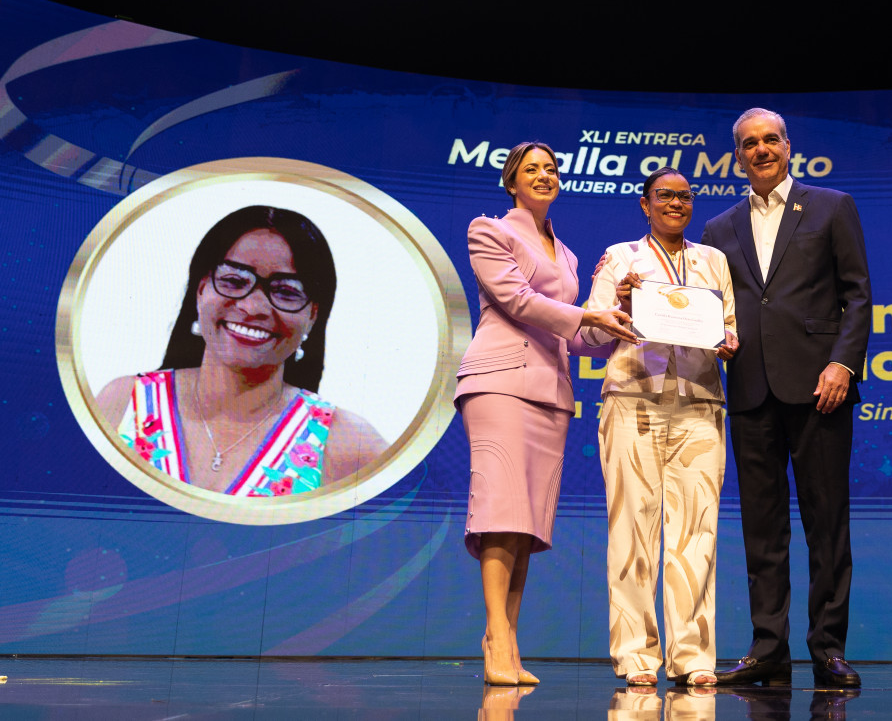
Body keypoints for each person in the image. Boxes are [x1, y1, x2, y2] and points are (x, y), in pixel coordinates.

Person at [455, 141, 639, 687]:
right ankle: (496, 637)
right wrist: (587, 315)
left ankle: (509, 638)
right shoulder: (489, 231)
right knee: (500, 513)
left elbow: (576, 337)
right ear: (512, 181)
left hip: (551, 391)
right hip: (500, 383)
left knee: (526, 525)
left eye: (551, 169)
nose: (543, 176)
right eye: (531, 169)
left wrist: (617, 315)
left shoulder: (569, 255)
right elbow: (517, 300)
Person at [700, 108, 872, 688]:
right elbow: (711, 308)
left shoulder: (832, 206)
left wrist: (842, 363)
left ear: (788, 146)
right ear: (738, 157)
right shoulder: (719, 229)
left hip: (822, 388)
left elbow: (858, 294)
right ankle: (768, 648)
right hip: (750, 390)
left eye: (770, 139)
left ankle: (828, 649)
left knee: (827, 524)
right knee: (762, 528)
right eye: (750, 143)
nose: (762, 149)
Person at [96, 206, 387, 497]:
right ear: (201, 288)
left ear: (312, 314)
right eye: (234, 281)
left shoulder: (349, 445)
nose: (253, 307)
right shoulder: (123, 404)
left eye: (286, 291)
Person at [580, 168, 739, 688]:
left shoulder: (712, 260)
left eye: (684, 196)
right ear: (645, 204)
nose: (676, 203)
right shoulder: (620, 257)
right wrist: (620, 307)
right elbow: (588, 335)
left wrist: (728, 342)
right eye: (664, 196)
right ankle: (636, 656)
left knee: (697, 532)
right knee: (632, 529)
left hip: (699, 402)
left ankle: (693, 657)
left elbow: (729, 327)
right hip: (632, 399)